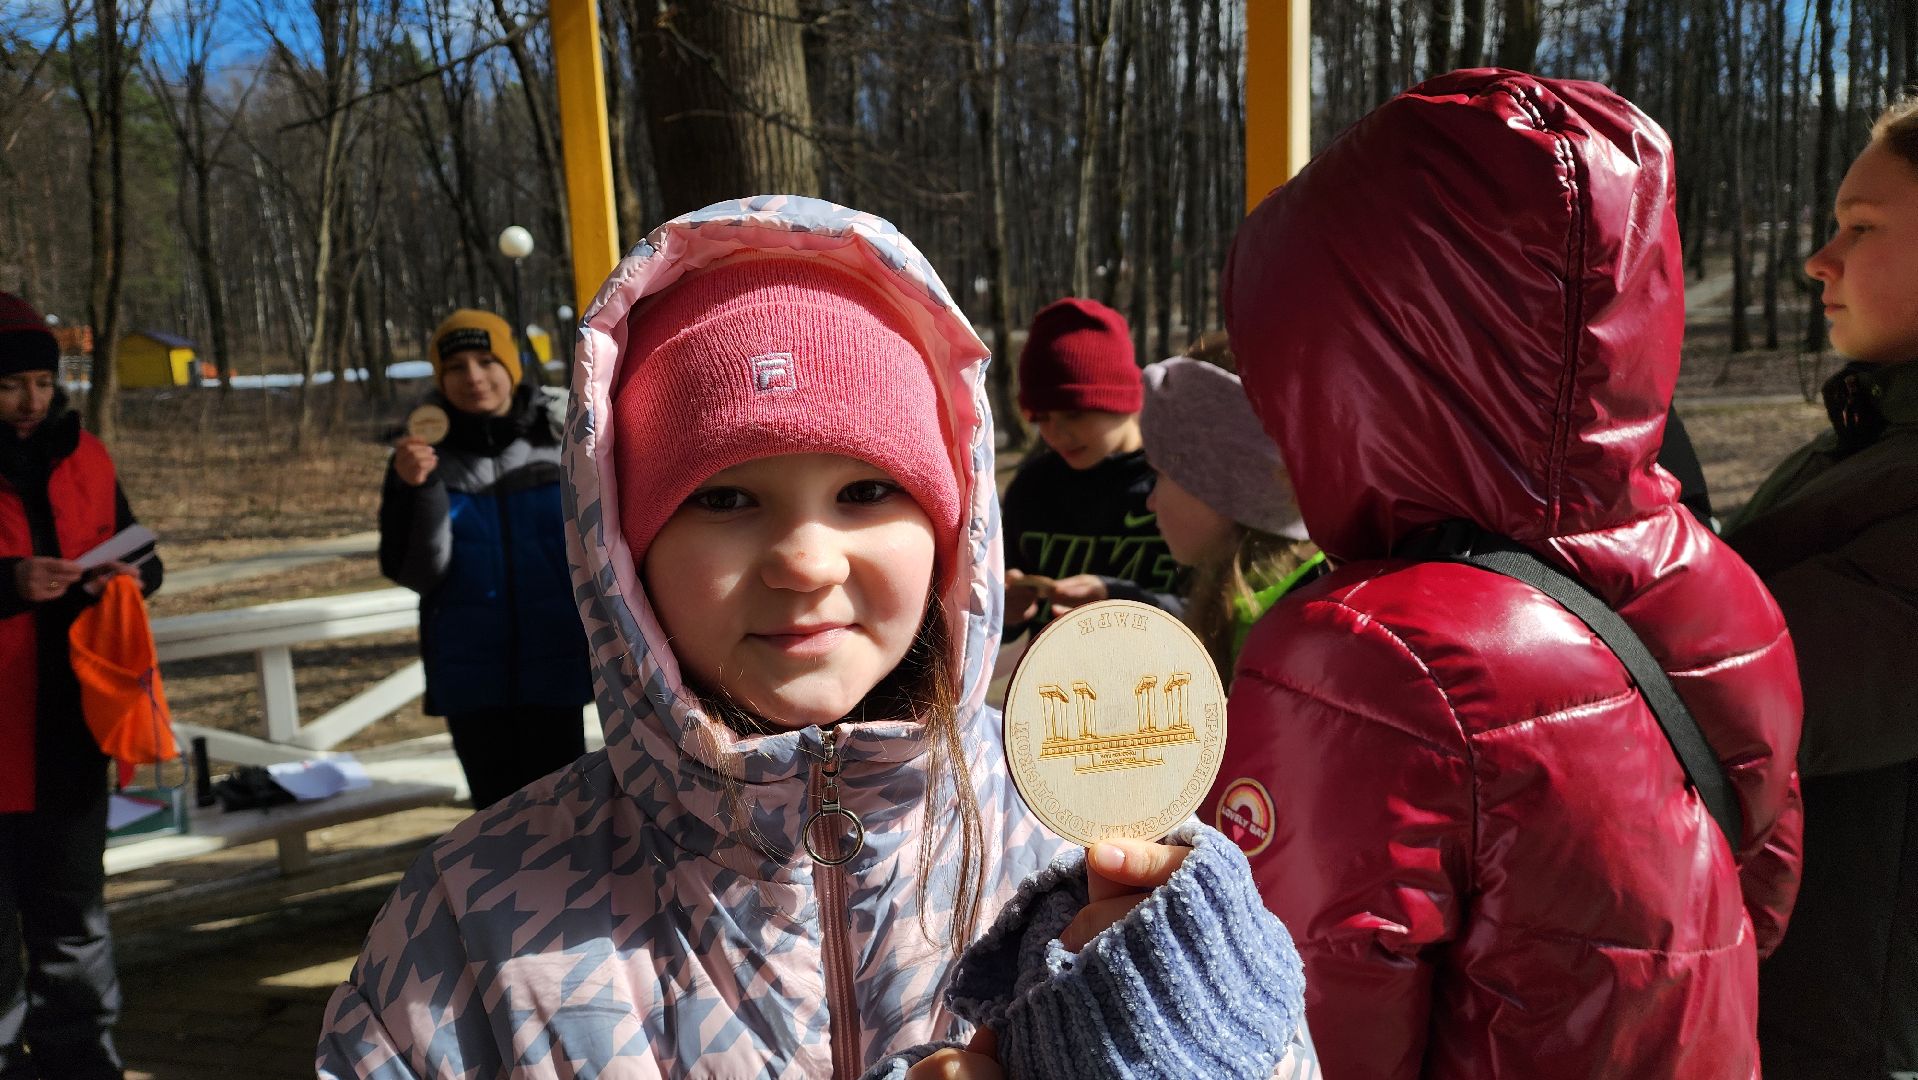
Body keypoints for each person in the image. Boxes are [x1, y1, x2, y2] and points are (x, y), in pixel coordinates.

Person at [319, 197, 1316, 1079]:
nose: (804, 558)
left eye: (867, 491)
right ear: (622, 543)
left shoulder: (1088, 842)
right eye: (724, 496)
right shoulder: (470, 925)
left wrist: (1183, 1030)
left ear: (952, 529)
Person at [1210, 71, 1804, 1078]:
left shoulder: (1359, 656)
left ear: (1346, 360)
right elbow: (1762, 897)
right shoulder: (1715, 585)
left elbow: (1280, 1037)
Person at [1725, 97, 1918, 1079]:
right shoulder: (1857, 448)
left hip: (1852, 1029)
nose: (1819, 258)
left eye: (1862, 227)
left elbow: (1755, 685)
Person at [1, 291, 162, 1080]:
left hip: (72, 730)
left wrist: (125, 576)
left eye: (40, 381)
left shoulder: (86, 454)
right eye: (7, 386)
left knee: (73, 922)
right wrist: (11, 581)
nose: (29, 400)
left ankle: (81, 1064)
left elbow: (145, 552)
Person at [378, 309, 592, 810]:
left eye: (485, 360)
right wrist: (418, 489)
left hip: (556, 662)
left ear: (513, 366)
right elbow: (415, 572)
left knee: (567, 822)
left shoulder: (564, 440)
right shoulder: (418, 457)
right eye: (455, 366)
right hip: (469, 673)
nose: (472, 377)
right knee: (494, 828)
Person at [1138, 354, 1323, 680]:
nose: (1150, 501)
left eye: (1160, 474)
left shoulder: (1297, 636)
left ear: (1226, 486)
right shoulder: (1257, 601)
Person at [1001, 298, 1179, 638]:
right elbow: (998, 631)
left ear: (1123, 402)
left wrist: (1117, 598)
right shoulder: (1033, 490)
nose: (1056, 433)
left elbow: (1220, 616)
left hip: (1164, 684)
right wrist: (1005, 613)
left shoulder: (1176, 483)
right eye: (1041, 418)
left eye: (1074, 413)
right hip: (1056, 686)